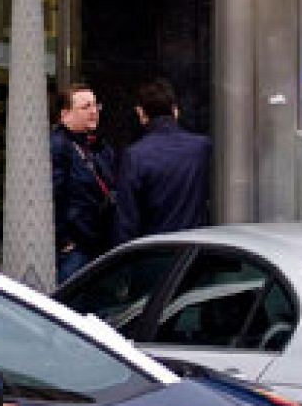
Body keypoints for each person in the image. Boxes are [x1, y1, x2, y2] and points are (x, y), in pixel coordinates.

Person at [112, 79, 212, 244]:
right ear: (175, 110)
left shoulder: (135, 156)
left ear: (141, 113)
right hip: (195, 249)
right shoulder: (202, 148)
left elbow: (126, 222)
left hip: (155, 251)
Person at [51, 83, 116, 282]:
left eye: (95, 105)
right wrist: (65, 241)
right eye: (86, 107)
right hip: (75, 249)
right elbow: (53, 196)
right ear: (65, 115)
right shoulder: (58, 147)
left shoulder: (99, 146)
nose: (93, 111)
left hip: (99, 245)